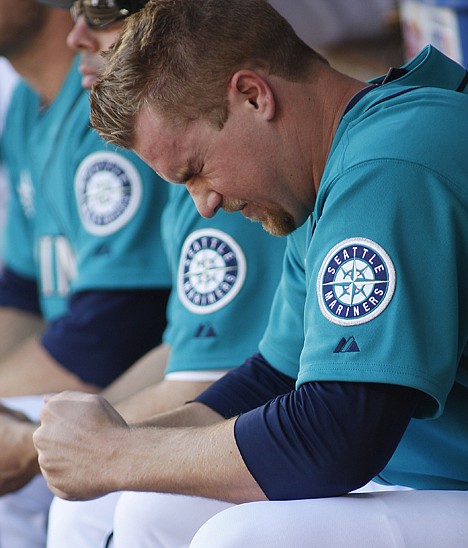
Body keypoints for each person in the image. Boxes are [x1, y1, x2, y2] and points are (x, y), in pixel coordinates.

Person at [34, 0, 468, 546]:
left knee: (240, 537)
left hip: (444, 482)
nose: (205, 204)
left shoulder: (388, 166)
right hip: (423, 482)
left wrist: (119, 454)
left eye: (196, 171)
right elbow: (273, 377)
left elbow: (337, 436)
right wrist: (109, 445)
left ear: (252, 95)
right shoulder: (333, 168)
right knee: (150, 510)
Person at [13, 2, 285, 547]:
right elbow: (195, 353)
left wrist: (43, 444)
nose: (77, 35)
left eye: (105, 10)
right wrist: (68, 440)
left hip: (395, 464)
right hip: (313, 435)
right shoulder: (190, 164)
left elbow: (132, 338)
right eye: (76, 9)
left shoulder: (230, 167)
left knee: (116, 511)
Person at [0, 1, 172, 546]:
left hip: (130, 391)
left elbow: (113, 332)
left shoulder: (112, 107)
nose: (83, 35)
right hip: (88, 393)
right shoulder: (27, 107)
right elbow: (21, 296)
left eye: (95, 15)